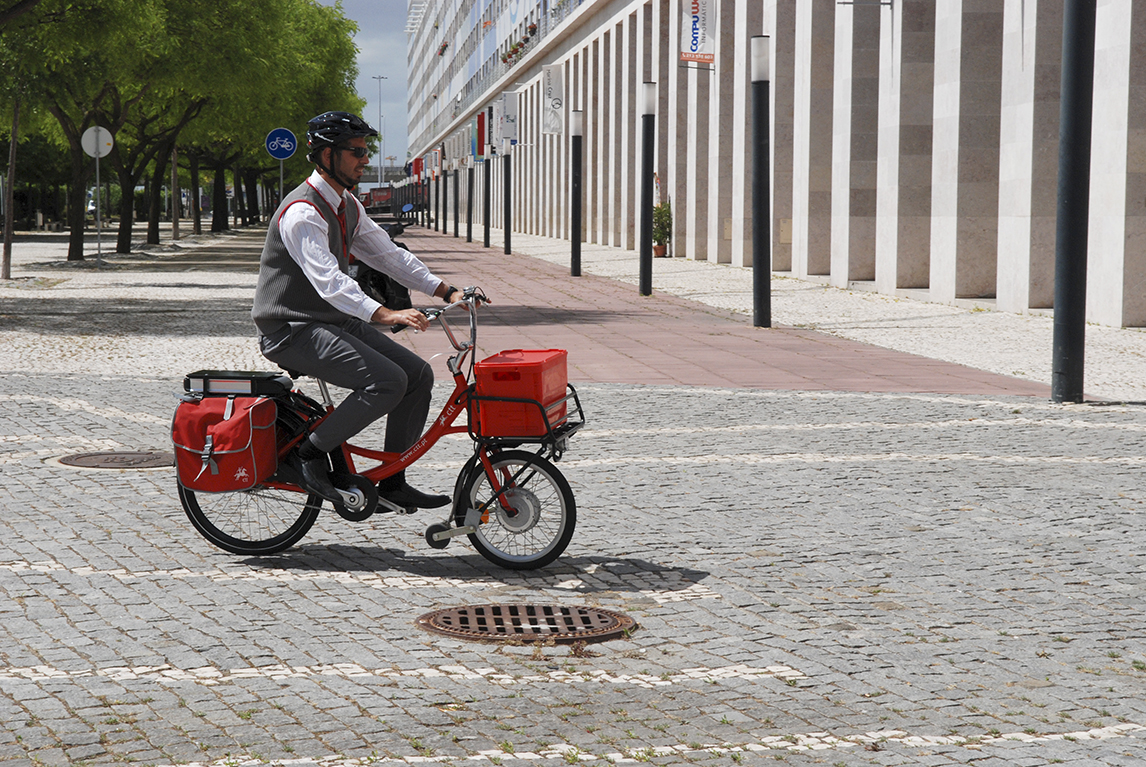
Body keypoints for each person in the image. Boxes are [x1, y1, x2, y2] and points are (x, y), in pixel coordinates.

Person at [252, 111, 463, 509]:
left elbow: (386, 254)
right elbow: (330, 282)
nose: (365, 160)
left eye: (366, 151)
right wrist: (385, 314)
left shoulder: (346, 204)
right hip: (290, 329)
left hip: (330, 322)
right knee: (386, 382)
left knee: (416, 375)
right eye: (357, 152)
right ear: (327, 155)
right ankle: (308, 455)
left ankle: (393, 480)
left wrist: (443, 288)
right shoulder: (302, 212)